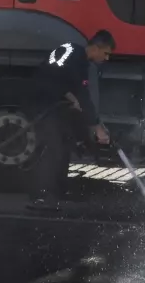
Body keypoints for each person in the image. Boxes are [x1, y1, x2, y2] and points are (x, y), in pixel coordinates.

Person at [26, 30, 115, 210]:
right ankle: (40, 197)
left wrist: (71, 98)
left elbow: (61, 79)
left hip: (52, 101)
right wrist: (96, 127)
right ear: (96, 48)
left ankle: (59, 192)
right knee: (52, 148)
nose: (106, 58)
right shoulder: (79, 60)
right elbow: (80, 92)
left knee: (65, 143)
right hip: (42, 103)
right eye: (106, 53)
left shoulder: (72, 50)